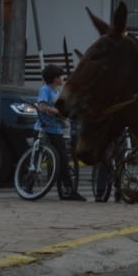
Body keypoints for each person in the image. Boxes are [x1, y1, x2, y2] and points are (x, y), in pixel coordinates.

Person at [37, 64, 85, 201]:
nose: (63, 79)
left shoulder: (56, 93)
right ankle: (68, 190)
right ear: (55, 78)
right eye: (60, 76)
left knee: (62, 160)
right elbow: (42, 106)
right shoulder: (45, 90)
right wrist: (57, 112)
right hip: (46, 129)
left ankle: (66, 189)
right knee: (61, 159)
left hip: (57, 130)